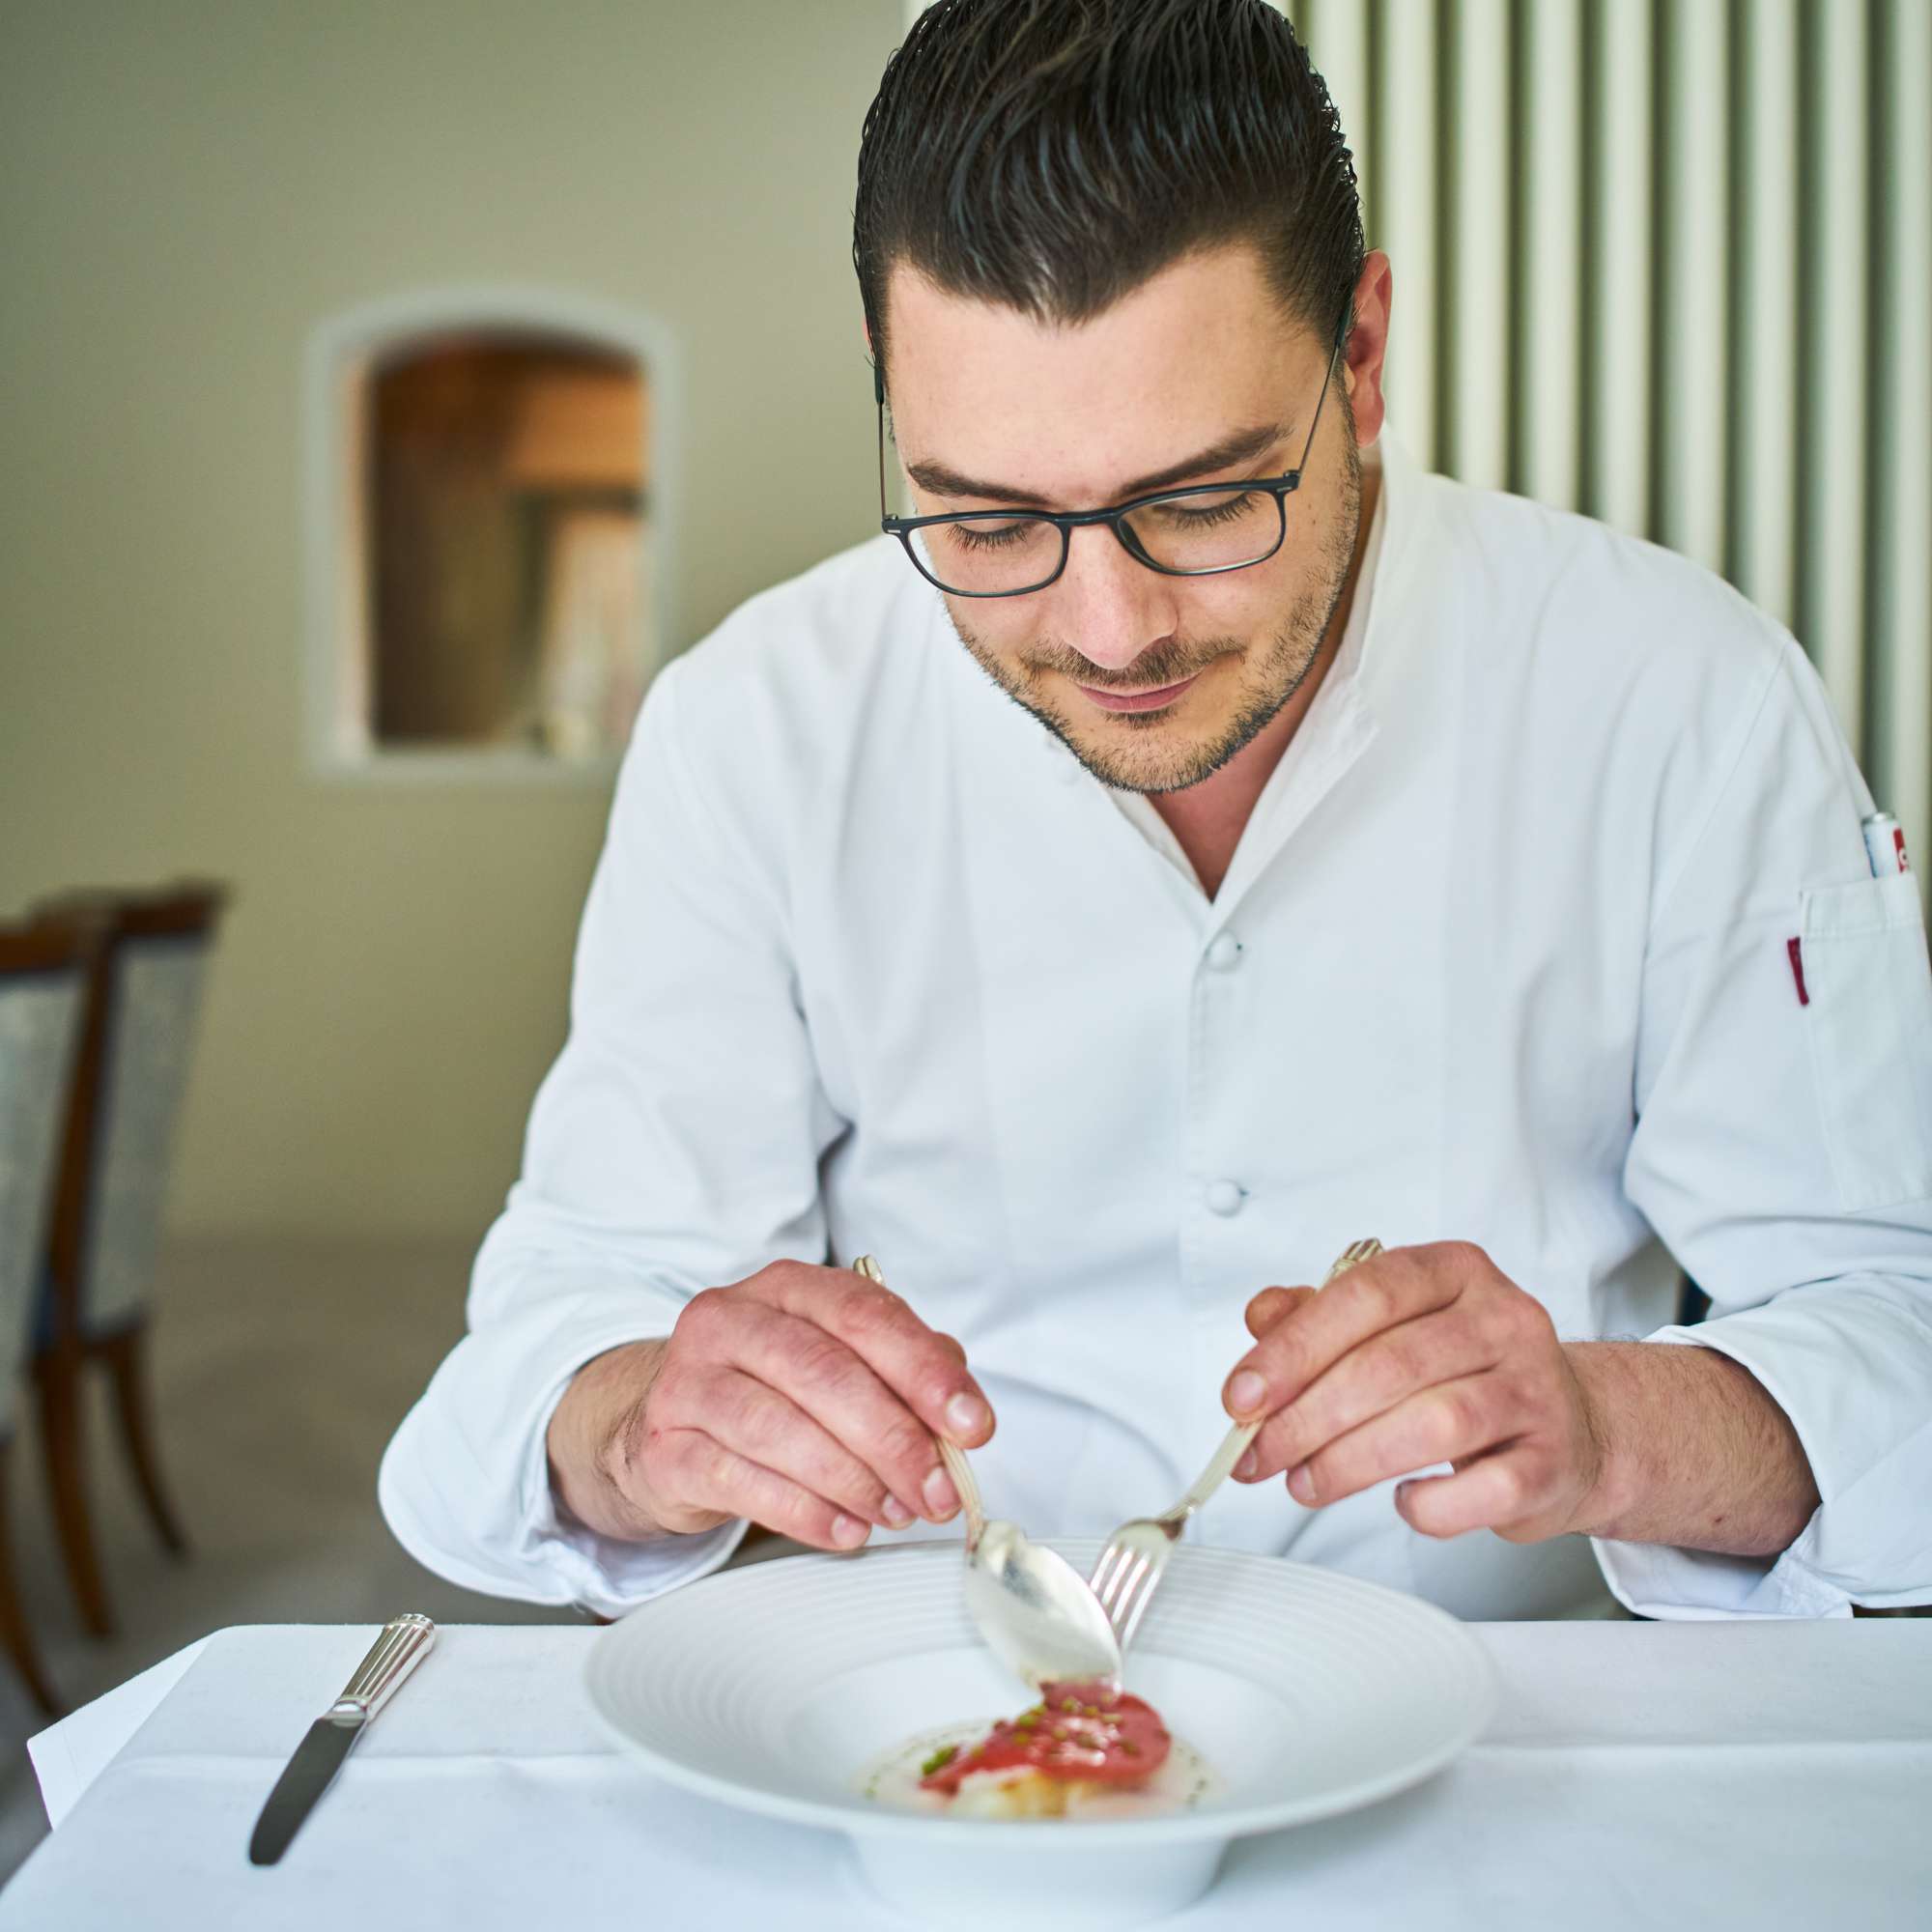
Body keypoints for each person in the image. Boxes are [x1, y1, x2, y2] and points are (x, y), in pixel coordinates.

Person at [380, 0, 1932, 1623]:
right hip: (924, 1748)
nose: (1111, 634)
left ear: (1364, 352)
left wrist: (1612, 1425)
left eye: (1203, 502)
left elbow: (1895, 1324)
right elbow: (535, 1366)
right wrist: (645, 1426)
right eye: (983, 520)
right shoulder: (756, 727)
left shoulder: (1682, 693)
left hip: (1504, 1759)